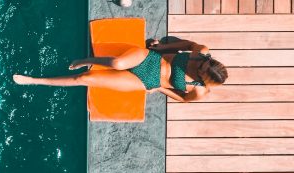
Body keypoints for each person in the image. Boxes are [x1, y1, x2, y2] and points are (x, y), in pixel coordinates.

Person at [12, 37, 228, 102]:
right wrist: (161, 47)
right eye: (204, 63)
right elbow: (185, 45)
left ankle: (34, 80)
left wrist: (160, 90)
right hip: (151, 59)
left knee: (85, 79)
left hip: (148, 83)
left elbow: (182, 99)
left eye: (202, 69)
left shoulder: (199, 91)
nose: (200, 64)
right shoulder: (201, 52)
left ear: (204, 79)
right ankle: (86, 58)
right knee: (116, 63)